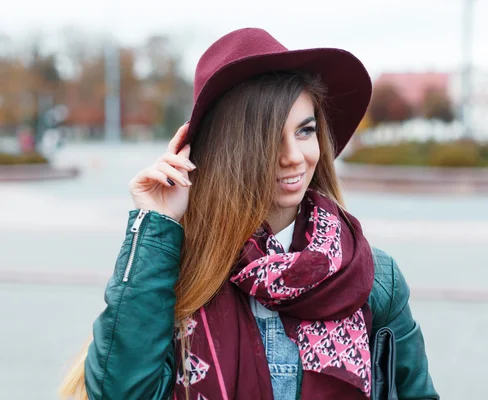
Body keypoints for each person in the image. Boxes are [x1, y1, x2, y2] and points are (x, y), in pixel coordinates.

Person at [60, 28, 439, 400]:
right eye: (270, 137)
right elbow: (119, 391)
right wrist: (155, 223)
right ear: (228, 150)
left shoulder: (371, 279)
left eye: (305, 131)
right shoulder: (171, 275)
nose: (293, 156)